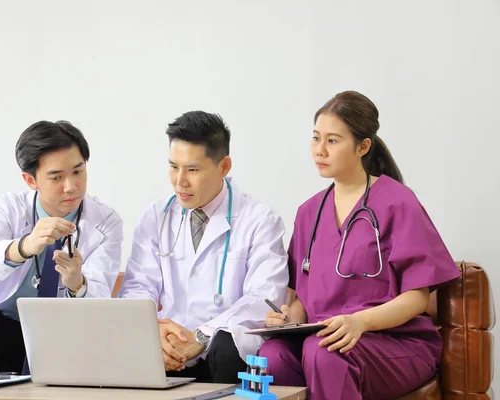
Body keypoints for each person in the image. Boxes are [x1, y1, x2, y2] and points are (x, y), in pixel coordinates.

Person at [258, 91, 461, 399]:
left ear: (362, 147)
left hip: (395, 343)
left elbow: (418, 297)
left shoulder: (398, 202)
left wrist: (360, 322)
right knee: (273, 356)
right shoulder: (309, 212)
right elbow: (302, 297)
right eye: (316, 138)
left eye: (333, 141)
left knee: (324, 351)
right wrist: (289, 320)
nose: (320, 151)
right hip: (326, 340)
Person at [0, 120, 123, 381]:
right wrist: (22, 247)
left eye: (78, 172)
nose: (71, 186)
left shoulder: (106, 222)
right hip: (8, 330)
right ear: (30, 180)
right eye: (56, 177)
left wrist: (77, 283)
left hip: (66, 338)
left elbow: (102, 296)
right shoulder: (8, 208)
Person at [118, 111, 289, 383]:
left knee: (225, 346)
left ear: (224, 166)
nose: (179, 181)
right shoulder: (156, 216)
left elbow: (263, 299)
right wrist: (153, 330)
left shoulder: (260, 220)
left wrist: (202, 335)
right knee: (131, 348)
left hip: (224, 348)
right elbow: (138, 286)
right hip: (171, 346)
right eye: (174, 166)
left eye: (192, 169)